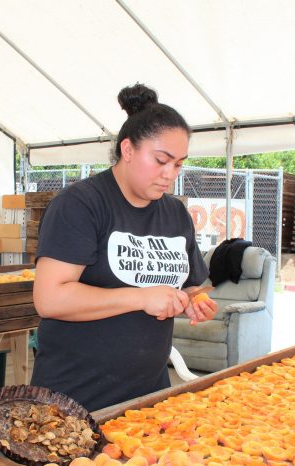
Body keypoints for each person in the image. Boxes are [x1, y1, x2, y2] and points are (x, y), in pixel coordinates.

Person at [30, 83, 218, 412]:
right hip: (75, 397)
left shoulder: (174, 213)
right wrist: (141, 297)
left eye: (178, 165)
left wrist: (194, 299)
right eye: (161, 160)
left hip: (149, 393)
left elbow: (188, 282)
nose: (169, 174)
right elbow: (49, 299)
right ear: (128, 150)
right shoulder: (81, 205)